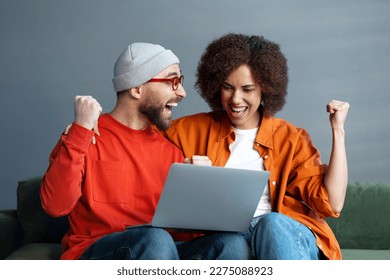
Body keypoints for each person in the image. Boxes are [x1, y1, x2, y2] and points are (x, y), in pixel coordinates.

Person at [40, 42, 250, 260]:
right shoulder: (85, 137)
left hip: (160, 250)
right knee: (155, 239)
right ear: (137, 88)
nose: (183, 93)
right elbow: (55, 206)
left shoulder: (171, 152)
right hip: (98, 251)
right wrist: (80, 128)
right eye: (173, 82)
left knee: (231, 243)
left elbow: (187, 234)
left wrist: (200, 187)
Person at [162, 33, 350, 260]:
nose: (235, 99)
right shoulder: (186, 131)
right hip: (229, 239)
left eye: (247, 89)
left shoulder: (290, 138)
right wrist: (186, 173)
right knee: (230, 243)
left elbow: (332, 203)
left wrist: (338, 130)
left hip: (283, 235)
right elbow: (141, 148)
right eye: (227, 87)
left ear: (265, 90)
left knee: (272, 224)